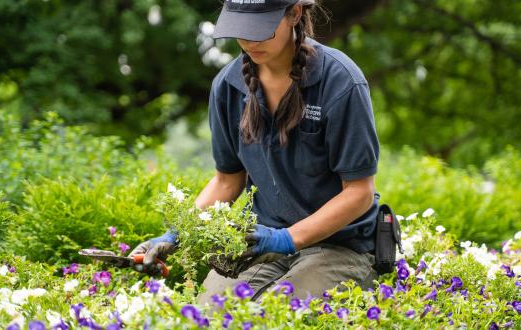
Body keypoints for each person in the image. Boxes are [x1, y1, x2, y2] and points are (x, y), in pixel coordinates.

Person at [130, 0, 381, 303]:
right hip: (262, 246)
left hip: (340, 246)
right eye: (242, 30)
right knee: (208, 313)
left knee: (278, 314)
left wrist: (286, 238)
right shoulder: (227, 86)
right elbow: (227, 181)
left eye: (260, 29)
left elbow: (359, 192)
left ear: (295, 13)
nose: (249, 41)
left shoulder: (339, 81)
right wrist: (176, 235)